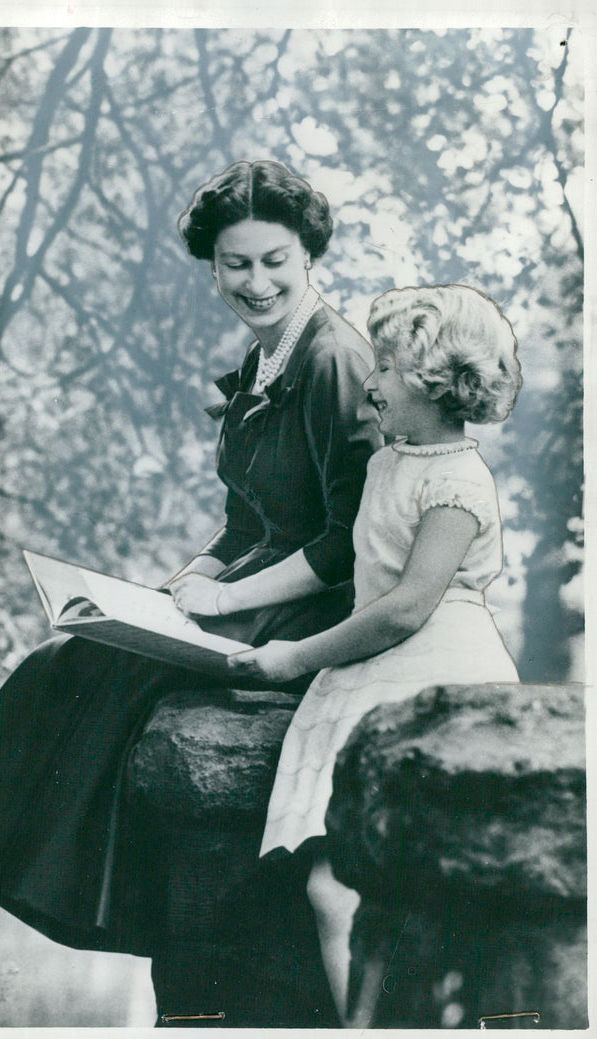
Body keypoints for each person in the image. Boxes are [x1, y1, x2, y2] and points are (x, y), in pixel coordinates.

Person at [0, 160, 382, 959]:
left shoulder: (333, 358)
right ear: (214, 267)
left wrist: (226, 603)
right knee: (66, 656)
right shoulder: (264, 359)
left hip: (317, 602)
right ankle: (29, 872)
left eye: (275, 260)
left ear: (308, 257)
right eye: (237, 264)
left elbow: (346, 541)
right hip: (255, 581)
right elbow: (242, 519)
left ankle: (100, 905)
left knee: (122, 673)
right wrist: (189, 577)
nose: (257, 281)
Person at [222, 283, 523, 1025]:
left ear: (429, 380)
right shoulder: (391, 463)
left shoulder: (457, 480)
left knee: (424, 884)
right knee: (335, 884)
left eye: (384, 367)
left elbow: (407, 606)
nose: (369, 380)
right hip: (371, 668)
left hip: (436, 672)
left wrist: (295, 658)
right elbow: (345, 566)